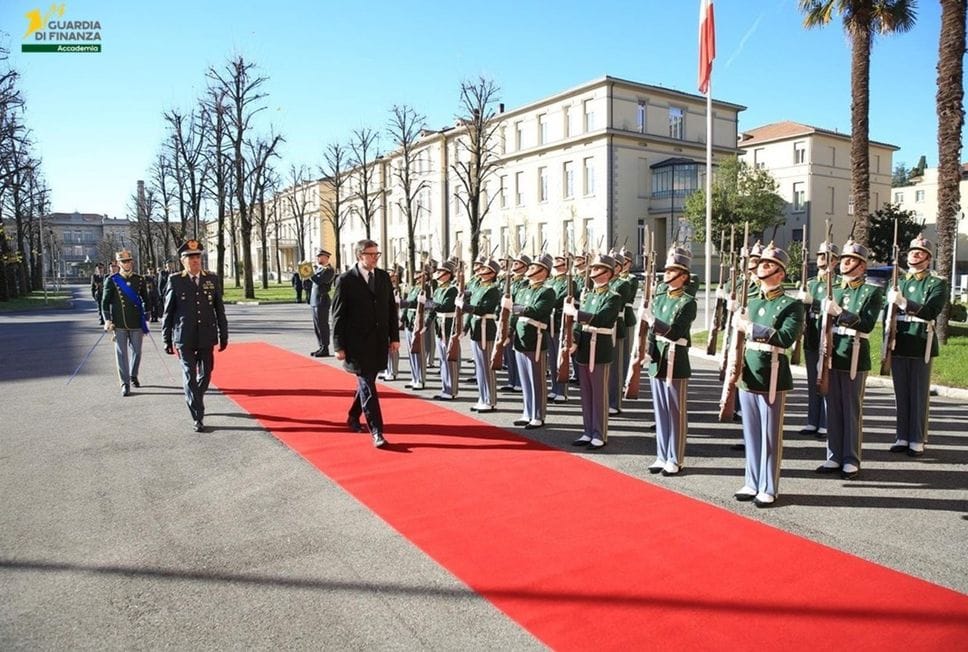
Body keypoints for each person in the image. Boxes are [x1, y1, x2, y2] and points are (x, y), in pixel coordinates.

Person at [730, 244, 803, 507]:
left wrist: (751, 327)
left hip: (772, 372)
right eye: (761, 263)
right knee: (751, 432)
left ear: (781, 274)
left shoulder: (791, 305)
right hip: (749, 371)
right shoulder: (753, 300)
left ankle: (769, 486)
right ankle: (752, 481)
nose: (762, 266)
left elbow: (785, 338)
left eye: (769, 264)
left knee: (770, 435)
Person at [815, 240, 882, 480]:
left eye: (851, 260)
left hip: (854, 353)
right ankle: (833, 456)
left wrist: (840, 313)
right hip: (833, 352)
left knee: (851, 409)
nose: (845, 263)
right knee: (831, 408)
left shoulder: (871, 292)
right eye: (843, 259)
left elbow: (866, 325)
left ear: (862, 267)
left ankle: (851, 458)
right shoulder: (834, 289)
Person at [332, 239, 400, 448]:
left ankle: (353, 416)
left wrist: (394, 337)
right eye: (371, 254)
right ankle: (377, 431)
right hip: (356, 345)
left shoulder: (382, 277)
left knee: (366, 383)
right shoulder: (346, 280)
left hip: (378, 342)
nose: (375, 258)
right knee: (368, 386)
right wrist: (338, 346)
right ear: (359, 255)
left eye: (377, 254)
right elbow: (337, 315)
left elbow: (390, 310)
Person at [886, 234, 947, 457]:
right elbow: (888, 314)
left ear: (928, 259)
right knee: (901, 392)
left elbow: (931, 311)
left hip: (922, 340)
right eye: (912, 252)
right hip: (900, 340)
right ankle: (902, 435)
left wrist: (904, 303)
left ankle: (917, 437)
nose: (915, 255)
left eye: (920, 253)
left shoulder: (936, 283)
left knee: (918, 393)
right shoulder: (900, 282)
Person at [641, 248, 697, 476]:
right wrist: (648, 351)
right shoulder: (660, 298)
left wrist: (652, 320)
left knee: (675, 413)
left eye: (672, 270)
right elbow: (653, 335)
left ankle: (676, 457)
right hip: (658, 361)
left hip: (676, 360)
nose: (666, 274)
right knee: (660, 411)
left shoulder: (688, 302)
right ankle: (662, 454)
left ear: (683, 276)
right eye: (667, 270)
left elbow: (675, 333)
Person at [162, 240, 229, 432]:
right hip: (184, 337)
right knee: (190, 375)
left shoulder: (212, 279)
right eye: (191, 258)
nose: (195, 261)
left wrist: (224, 335)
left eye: (198, 257)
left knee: (206, 374)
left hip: (206, 336)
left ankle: (196, 397)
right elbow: (169, 312)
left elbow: (219, 310)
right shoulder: (175, 280)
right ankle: (198, 415)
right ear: (183, 261)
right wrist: (166, 339)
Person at [563, 254, 624, 448]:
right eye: (593, 268)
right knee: (586, 394)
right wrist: (573, 340)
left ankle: (599, 433)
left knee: (599, 394)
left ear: (608, 273)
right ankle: (587, 431)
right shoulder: (589, 295)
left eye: (597, 269)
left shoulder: (613, 297)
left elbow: (602, 319)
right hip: (584, 347)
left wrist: (577, 313)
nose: (593, 272)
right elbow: (579, 325)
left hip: (600, 348)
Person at [507, 253, 556, 429]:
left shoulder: (547, 291)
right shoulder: (523, 290)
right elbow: (514, 315)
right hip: (520, 339)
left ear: (544, 271)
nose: (530, 269)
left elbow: (538, 310)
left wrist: (515, 308)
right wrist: (509, 330)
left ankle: (538, 415)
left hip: (535, 338)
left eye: (534, 267)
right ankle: (527, 412)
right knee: (525, 379)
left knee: (537, 380)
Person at [799, 241, 839, 438]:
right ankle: (812, 420)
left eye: (825, 255)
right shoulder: (811, 283)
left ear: (835, 260)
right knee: (811, 381)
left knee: (826, 379)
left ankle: (826, 421)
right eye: (820, 254)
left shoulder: (838, 284)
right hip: (812, 334)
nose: (821, 258)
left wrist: (815, 302)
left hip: (828, 335)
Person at [101, 250, 149, 396]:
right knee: (121, 354)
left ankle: (133, 374)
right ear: (118, 263)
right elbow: (105, 302)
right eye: (124, 261)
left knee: (137, 352)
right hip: (119, 323)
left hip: (136, 322)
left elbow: (146, 299)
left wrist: (146, 313)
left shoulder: (139, 279)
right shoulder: (112, 280)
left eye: (129, 261)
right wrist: (107, 319)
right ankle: (125, 383)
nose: (127, 264)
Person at [460, 258, 501, 412]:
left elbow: (484, 309)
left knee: (487, 366)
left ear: (492, 273)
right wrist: (465, 325)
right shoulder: (479, 287)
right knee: (479, 366)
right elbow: (473, 309)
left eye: (484, 269)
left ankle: (490, 399)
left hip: (486, 329)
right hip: (477, 328)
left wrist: (465, 307)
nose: (480, 271)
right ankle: (482, 396)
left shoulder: (493, 289)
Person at [309, 249, 336, 357]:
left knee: (322, 325)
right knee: (317, 326)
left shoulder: (329, 270)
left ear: (326, 257)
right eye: (317, 256)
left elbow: (319, 281)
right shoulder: (319, 269)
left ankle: (325, 348)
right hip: (315, 301)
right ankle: (320, 346)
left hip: (322, 301)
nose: (318, 258)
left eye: (320, 256)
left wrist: (309, 273)